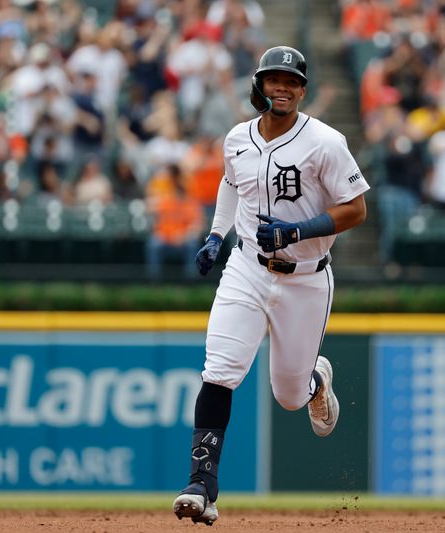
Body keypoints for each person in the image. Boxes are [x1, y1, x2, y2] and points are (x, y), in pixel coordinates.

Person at [172, 46, 369, 525]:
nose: (281, 87)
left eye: (291, 81)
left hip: (305, 279)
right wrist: (217, 236)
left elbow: (357, 209)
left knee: (288, 395)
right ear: (259, 85)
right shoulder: (238, 137)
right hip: (247, 268)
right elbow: (228, 184)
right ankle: (203, 484)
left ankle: (316, 380)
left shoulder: (325, 141)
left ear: (303, 89)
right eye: (273, 79)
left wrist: (296, 231)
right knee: (220, 368)